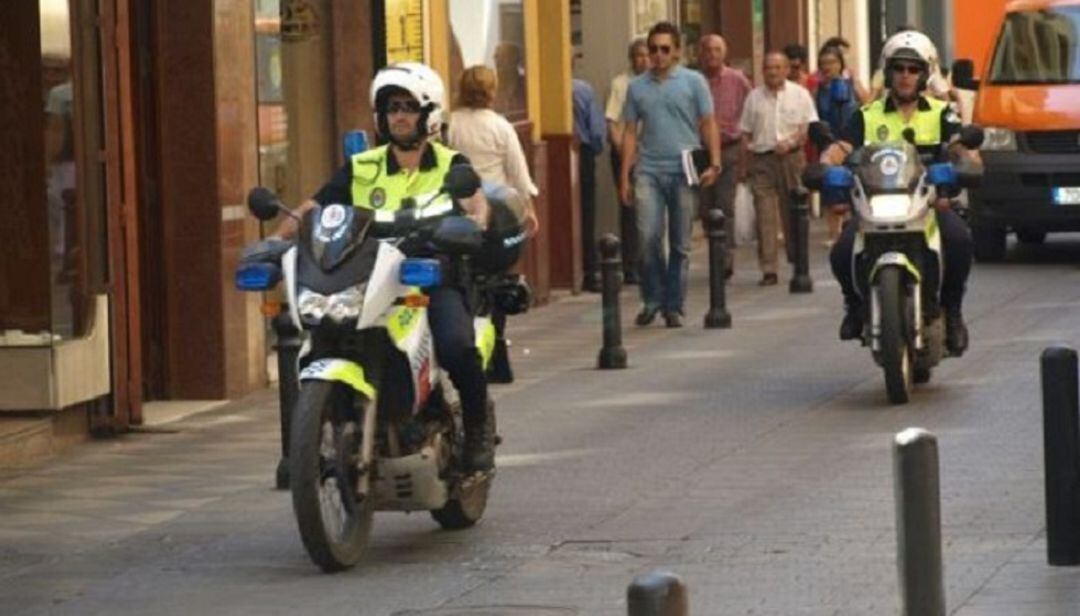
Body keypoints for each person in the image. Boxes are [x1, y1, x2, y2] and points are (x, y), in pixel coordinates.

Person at [269, 63, 497, 473]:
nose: (400, 116)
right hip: (369, 277)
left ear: (429, 114)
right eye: (392, 108)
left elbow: (477, 206)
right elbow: (313, 208)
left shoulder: (450, 164)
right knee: (331, 331)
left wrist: (472, 225)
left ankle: (478, 427)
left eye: (409, 107)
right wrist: (276, 239)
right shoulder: (362, 166)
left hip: (430, 279)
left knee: (456, 345)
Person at [822, 30, 976, 356]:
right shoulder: (867, 114)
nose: (906, 76)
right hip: (877, 206)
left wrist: (968, 160)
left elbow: (960, 145)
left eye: (913, 69)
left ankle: (953, 312)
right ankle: (854, 305)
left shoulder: (941, 112)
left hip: (931, 204)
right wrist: (826, 165)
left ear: (925, 74)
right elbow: (842, 148)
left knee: (959, 240)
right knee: (842, 251)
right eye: (899, 68)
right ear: (888, 71)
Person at [620, 21, 720, 328]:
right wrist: (625, 175)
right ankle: (653, 298)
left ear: (676, 51)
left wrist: (714, 162)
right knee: (647, 237)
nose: (658, 55)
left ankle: (673, 304)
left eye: (665, 49)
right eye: (653, 50)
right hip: (648, 170)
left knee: (680, 242)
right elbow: (630, 133)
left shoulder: (693, 82)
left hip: (684, 169)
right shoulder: (636, 87)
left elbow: (707, 122)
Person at [739, 51, 818, 286]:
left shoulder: (800, 95)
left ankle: (797, 259)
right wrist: (747, 162)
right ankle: (769, 268)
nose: (772, 72)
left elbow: (806, 128)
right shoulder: (754, 97)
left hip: (791, 159)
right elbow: (745, 132)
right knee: (765, 213)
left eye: (777, 67)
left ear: (786, 69)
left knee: (792, 211)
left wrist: (792, 142)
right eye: (767, 68)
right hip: (762, 159)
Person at [447, 65, 540, 237]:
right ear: (492, 92)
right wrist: (529, 210)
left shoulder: (452, 124)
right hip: (496, 209)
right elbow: (519, 174)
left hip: (459, 207)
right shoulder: (501, 127)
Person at [698, 33, 752, 279]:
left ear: (725, 53)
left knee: (725, 204)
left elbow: (749, 114)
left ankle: (725, 255)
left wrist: (744, 157)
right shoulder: (694, 81)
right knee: (706, 206)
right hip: (701, 152)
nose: (712, 54)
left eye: (717, 50)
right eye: (708, 50)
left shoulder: (737, 80)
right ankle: (715, 250)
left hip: (729, 148)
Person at [811, 42, 869, 243]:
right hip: (829, 141)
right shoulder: (818, 90)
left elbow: (869, 104)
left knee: (854, 182)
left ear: (840, 64)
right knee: (830, 186)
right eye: (824, 63)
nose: (828, 67)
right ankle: (834, 233)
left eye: (832, 62)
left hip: (852, 142)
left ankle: (854, 225)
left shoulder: (852, 83)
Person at [605, 38, 650, 284]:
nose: (643, 60)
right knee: (629, 208)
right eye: (638, 55)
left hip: (649, 152)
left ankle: (648, 261)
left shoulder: (655, 82)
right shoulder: (620, 84)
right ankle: (631, 265)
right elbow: (612, 121)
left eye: (646, 55)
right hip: (625, 152)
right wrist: (622, 150)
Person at [573, 77, 607, 292]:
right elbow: (596, 131)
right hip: (583, 152)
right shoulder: (582, 89)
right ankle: (589, 269)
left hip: (569, 151)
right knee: (586, 212)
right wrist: (595, 148)